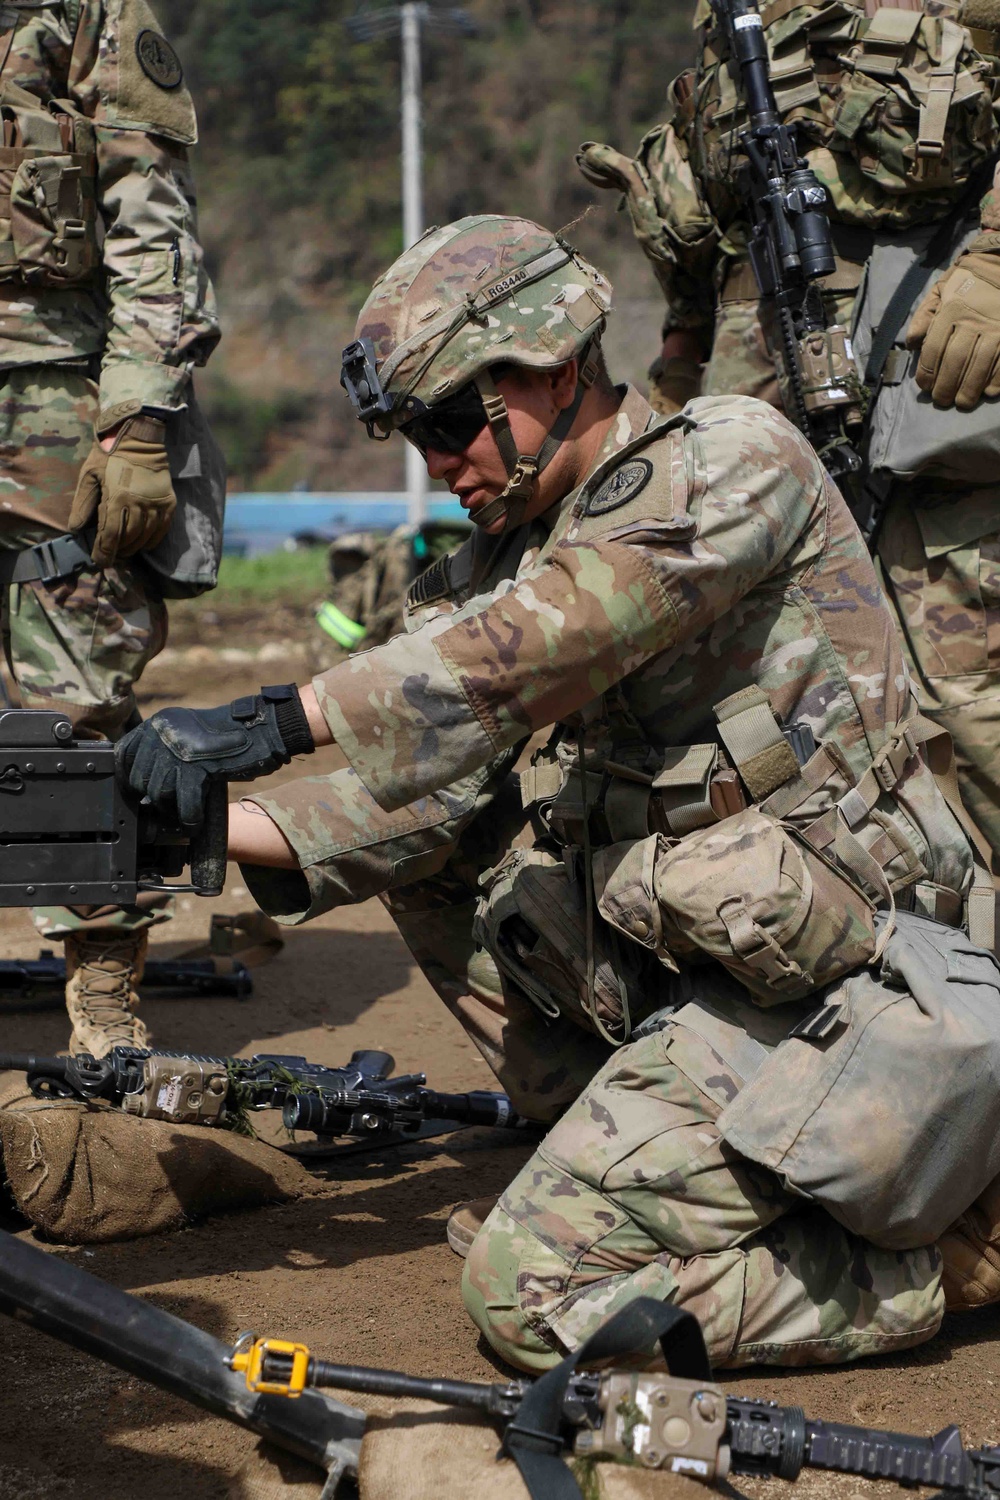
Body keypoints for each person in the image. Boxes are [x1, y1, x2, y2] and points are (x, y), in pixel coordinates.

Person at [118, 215, 1000, 1373]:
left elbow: (556, 633)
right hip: (711, 963)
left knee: (534, 1304)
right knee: (452, 843)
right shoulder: (498, 560)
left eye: (445, 422)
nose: (437, 462)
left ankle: (953, 1260)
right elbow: (423, 790)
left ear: (549, 365)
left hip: (857, 978)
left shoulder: (730, 456)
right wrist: (205, 825)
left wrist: (282, 716)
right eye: (411, 434)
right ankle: (641, 1139)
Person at [577, 0, 1000, 866]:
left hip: (941, 351)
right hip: (765, 363)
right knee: (775, 690)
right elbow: (727, 178)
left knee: (967, 694)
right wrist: (684, 352)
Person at [0, 0, 223, 1054]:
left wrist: (136, 415)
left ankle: (99, 991)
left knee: (78, 695)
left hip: (50, 385)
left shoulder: (79, 9)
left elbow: (152, 215)